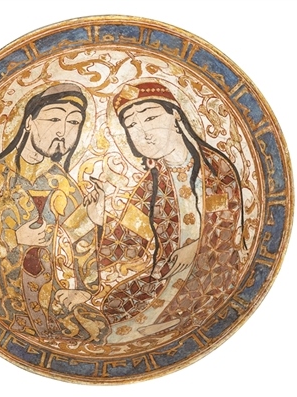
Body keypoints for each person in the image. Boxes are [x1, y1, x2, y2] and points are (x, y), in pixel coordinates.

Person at [0, 83, 109, 343]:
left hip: (54, 299)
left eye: (74, 122)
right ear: (28, 122)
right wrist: (14, 238)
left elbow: (80, 240)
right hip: (9, 295)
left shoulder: (62, 181)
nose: (63, 131)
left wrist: (84, 289)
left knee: (96, 331)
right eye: (54, 119)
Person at [96, 81, 245, 341]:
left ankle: (177, 321)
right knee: (112, 307)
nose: (143, 133)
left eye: (150, 118)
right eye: (131, 126)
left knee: (129, 329)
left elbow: (227, 227)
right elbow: (130, 238)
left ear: (175, 115)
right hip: (165, 276)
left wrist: (196, 248)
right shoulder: (153, 181)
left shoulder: (215, 168)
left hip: (211, 270)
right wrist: (97, 221)